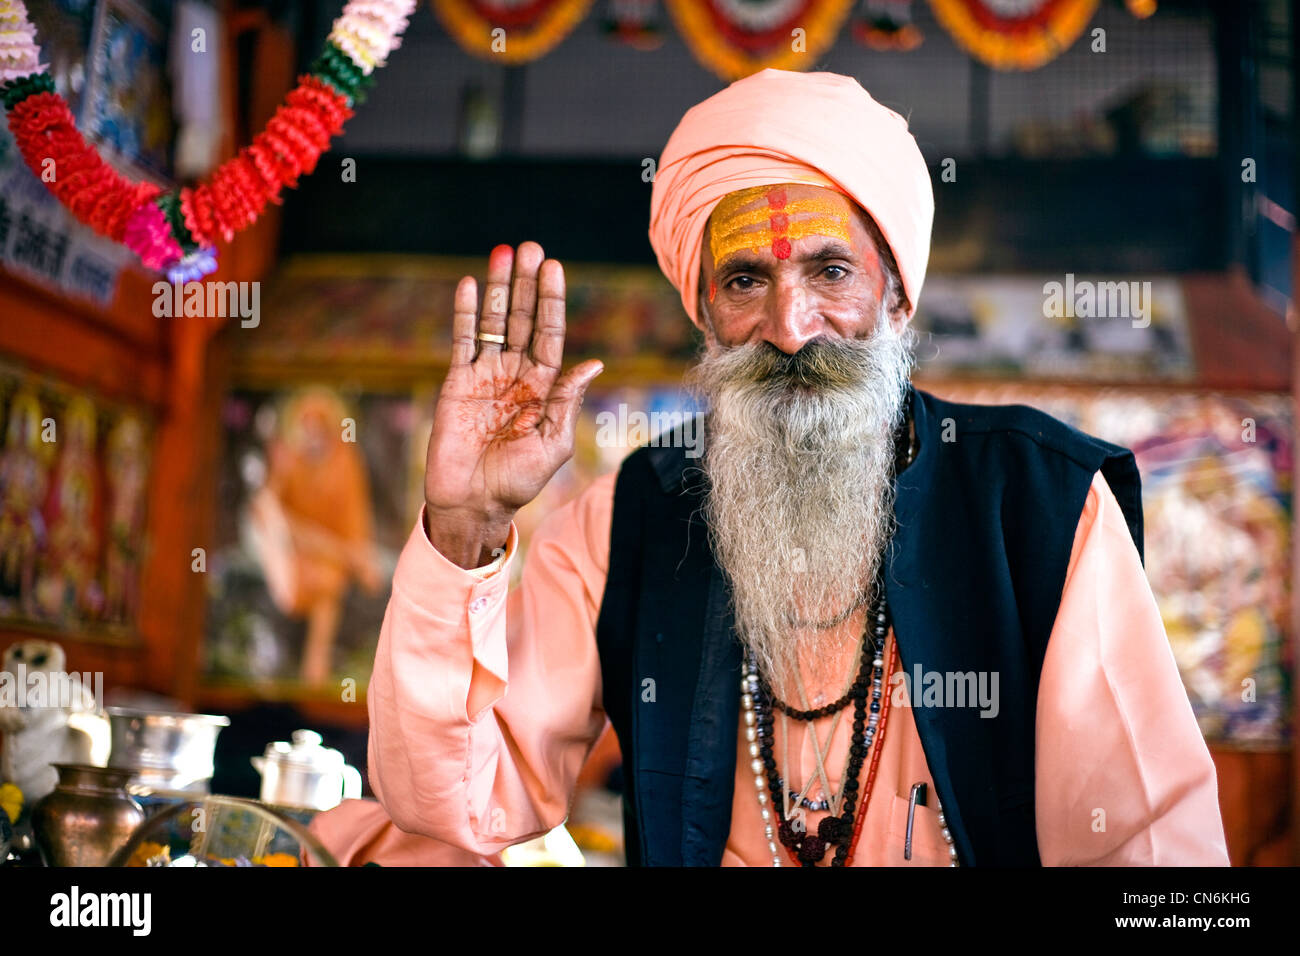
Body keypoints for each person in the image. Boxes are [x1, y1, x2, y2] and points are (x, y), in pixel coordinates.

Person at [367, 68, 1230, 866]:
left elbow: (1156, 855)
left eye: (830, 270)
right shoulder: (628, 519)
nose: (791, 327)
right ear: (704, 311)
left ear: (896, 293)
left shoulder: (1042, 508)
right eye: (746, 280)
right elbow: (455, 798)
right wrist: (467, 523)